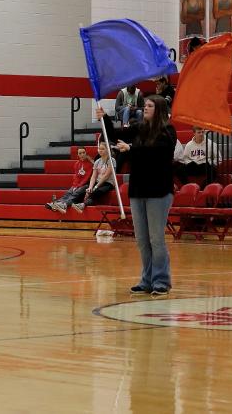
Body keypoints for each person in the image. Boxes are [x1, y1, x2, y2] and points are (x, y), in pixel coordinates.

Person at [97, 96, 177, 295]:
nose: (145, 108)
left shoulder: (168, 131)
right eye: (145, 105)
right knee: (142, 239)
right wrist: (105, 118)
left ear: (158, 109)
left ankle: (161, 280)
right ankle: (147, 279)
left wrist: (131, 148)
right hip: (138, 189)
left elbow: (156, 153)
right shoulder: (139, 128)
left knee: (156, 238)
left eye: (149, 105)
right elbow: (114, 134)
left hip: (158, 190)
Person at [72, 141, 115, 212]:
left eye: (102, 149)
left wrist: (95, 187)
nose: (100, 150)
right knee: (83, 189)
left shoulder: (112, 160)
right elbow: (94, 176)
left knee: (95, 192)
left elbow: (106, 177)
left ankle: (83, 205)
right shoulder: (97, 161)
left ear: (107, 150)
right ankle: (71, 204)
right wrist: (90, 187)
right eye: (99, 149)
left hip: (108, 183)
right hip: (97, 182)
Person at [46, 147, 92, 213]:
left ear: (86, 153)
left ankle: (63, 205)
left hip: (86, 185)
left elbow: (86, 178)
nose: (82, 154)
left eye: (83, 153)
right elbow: (76, 177)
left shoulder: (90, 164)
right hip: (77, 185)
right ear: (78, 155)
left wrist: (77, 186)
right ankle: (55, 204)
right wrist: (75, 186)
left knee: (75, 193)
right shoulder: (77, 164)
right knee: (68, 193)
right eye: (80, 153)